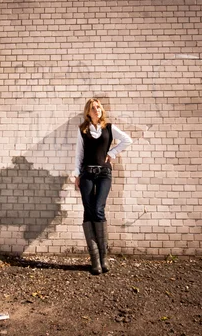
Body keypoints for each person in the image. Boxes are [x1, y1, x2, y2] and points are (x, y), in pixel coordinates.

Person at [74, 98, 132, 275]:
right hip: (87, 174)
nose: (97, 110)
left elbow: (127, 140)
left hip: (104, 174)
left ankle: (103, 258)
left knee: (98, 209)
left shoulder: (109, 127)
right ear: (88, 112)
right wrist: (77, 174)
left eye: (98, 107)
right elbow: (79, 153)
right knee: (88, 210)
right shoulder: (82, 129)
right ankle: (95, 261)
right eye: (93, 108)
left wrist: (112, 153)